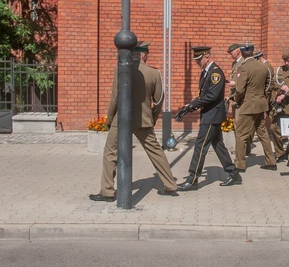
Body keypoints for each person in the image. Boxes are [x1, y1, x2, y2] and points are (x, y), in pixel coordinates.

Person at [89, 41, 178, 201]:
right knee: (156, 151)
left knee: (110, 153)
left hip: (122, 119)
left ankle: (107, 191)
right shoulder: (154, 73)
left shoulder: (122, 68)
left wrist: (110, 119)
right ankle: (170, 184)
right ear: (144, 54)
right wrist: (152, 117)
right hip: (143, 119)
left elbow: (115, 98)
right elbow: (158, 101)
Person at [175, 46, 242, 191]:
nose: (197, 63)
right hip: (210, 114)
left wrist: (192, 105)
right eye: (196, 60)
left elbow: (211, 96)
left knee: (200, 147)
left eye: (199, 60)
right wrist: (189, 107)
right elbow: (203, 96)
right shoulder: (206, 73)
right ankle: (233, 173)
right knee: (218, 145)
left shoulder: (215, 73)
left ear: (207, 57)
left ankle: (192, 180)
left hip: (212, 116)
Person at [233, 44, 277, 171]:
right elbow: (269, 84)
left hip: (248, 105)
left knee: (241, 134)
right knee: (263, 134)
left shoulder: (243, 68)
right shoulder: (263, 67)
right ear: (252, 52)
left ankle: (239, 165)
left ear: (241, 53)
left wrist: (238, 101)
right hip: (261, 103)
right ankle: (271, 161)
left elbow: (240, 89)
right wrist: (264, 96)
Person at [270, 47, 289, 166]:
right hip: (279, 105)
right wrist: (281, 88)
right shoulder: (280, 70)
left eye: (288, 60)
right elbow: (273, 83)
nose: (286, 63)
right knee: (274, 128)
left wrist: (286, 94)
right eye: (284, 61)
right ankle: (280, 153)